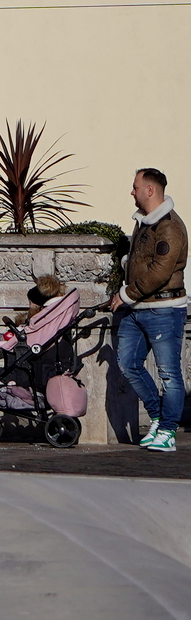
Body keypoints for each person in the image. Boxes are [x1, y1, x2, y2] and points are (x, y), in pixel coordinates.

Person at [109, 167, 185, 451]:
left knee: (169, 374)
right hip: (138, 308)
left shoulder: (169, 227)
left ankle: (168, 431)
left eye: (135, 186)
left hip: (164, 309)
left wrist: (126, 294)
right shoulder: (144, 222)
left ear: (149, 190)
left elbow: (160, 272)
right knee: (127, 364)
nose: (132, 191)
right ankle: (157, 416)